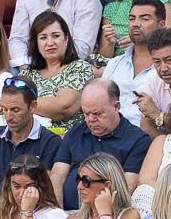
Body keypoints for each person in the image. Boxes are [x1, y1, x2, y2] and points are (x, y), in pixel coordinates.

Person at [50, 81, 149, 210]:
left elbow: (126, 188)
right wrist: (58, 213)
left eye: (97, 114)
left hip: (106, 214)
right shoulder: (76, 131)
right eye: (86, 114)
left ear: (116, 106)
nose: (90, 119)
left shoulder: (137, 140)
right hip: (66, 213)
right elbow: (57, 175)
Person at [0, 78, 61, 205]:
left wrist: (4, 208)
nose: (8, 117)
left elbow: (44, 193)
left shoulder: (51, 142)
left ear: (32, 107)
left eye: (15, 110)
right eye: (4, 109)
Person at [17, 12, 96, 131]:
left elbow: (63, 107)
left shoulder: (80, 68)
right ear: (36, 43)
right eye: (43, 37)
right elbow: (9, 106)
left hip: (64, 141)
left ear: (66, 39)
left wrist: (19, 104)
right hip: (27, 140)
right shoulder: (27, 73)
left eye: (56, 36)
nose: (50, 43)